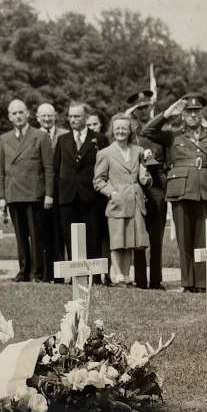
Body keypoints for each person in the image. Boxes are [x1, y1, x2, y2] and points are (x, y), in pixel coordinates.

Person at [142, 94, 207, 293]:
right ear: (182, 114)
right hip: (180, 189)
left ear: (202, 113)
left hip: (206, 189)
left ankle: (204, 282)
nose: (193, 115)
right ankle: (188, 283)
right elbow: (148, 131)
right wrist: (167, 114)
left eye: (197, 111)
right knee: (184, 239)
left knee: (205, 238)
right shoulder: (173, 134)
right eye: (189, 111)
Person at [0, 99, 55, 282]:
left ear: (28, 113)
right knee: (20, 236)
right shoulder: (4, 139)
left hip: (34, 194)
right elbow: (1, 172)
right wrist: (2, 197)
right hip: (14, 194)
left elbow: (48, 168)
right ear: (9, 116)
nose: (18, 116)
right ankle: (23, 270)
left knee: (36, 236)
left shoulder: (40, 136)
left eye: (21, 112)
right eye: (14, 113)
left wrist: (49, 194)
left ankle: (37, 273)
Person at [53, 102, 108, 283]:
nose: (73, 120)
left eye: (77, 116)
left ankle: (94, 278)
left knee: (93, 236)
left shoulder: (99, 139)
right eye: (70, 116)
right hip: (68, 197)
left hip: (91, 196)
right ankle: (76, 276)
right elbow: (56, 169)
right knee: (70, 237)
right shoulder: (63, 140)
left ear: (85, 117)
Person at [93, 112, 150, 286]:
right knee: (117, 242)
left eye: (124, 128)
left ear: (130, 130)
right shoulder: (105, 153)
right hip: (117, 202)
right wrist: (112, 193)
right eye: (117, 128)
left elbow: (145, 177)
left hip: (134, 201)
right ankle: (117, 275)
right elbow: (98, 180)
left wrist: (146, 172)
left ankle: (126, 275)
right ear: (112, 130)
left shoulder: (138, 151)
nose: (120, 132)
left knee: (130, 241)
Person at [127, 92, 167, 290]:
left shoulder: (157, 131)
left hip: (157, 187)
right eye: (139, 109)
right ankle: (141, 280)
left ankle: (156, 280)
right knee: (139, 236)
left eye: (146, 108)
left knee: (156, 237)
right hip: (136, 187)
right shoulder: (127, 132)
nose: (144, 112)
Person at [36, 103, 69, 280]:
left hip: (61, 191)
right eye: (43, 116)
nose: (47, 119)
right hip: (41, 192)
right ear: (37, 117)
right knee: (43, 233)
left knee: (60, 234)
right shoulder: (33, 136)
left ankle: (60, 274)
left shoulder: (64, 135)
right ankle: (45, 273)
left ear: (55, 116)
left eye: (50, 115)